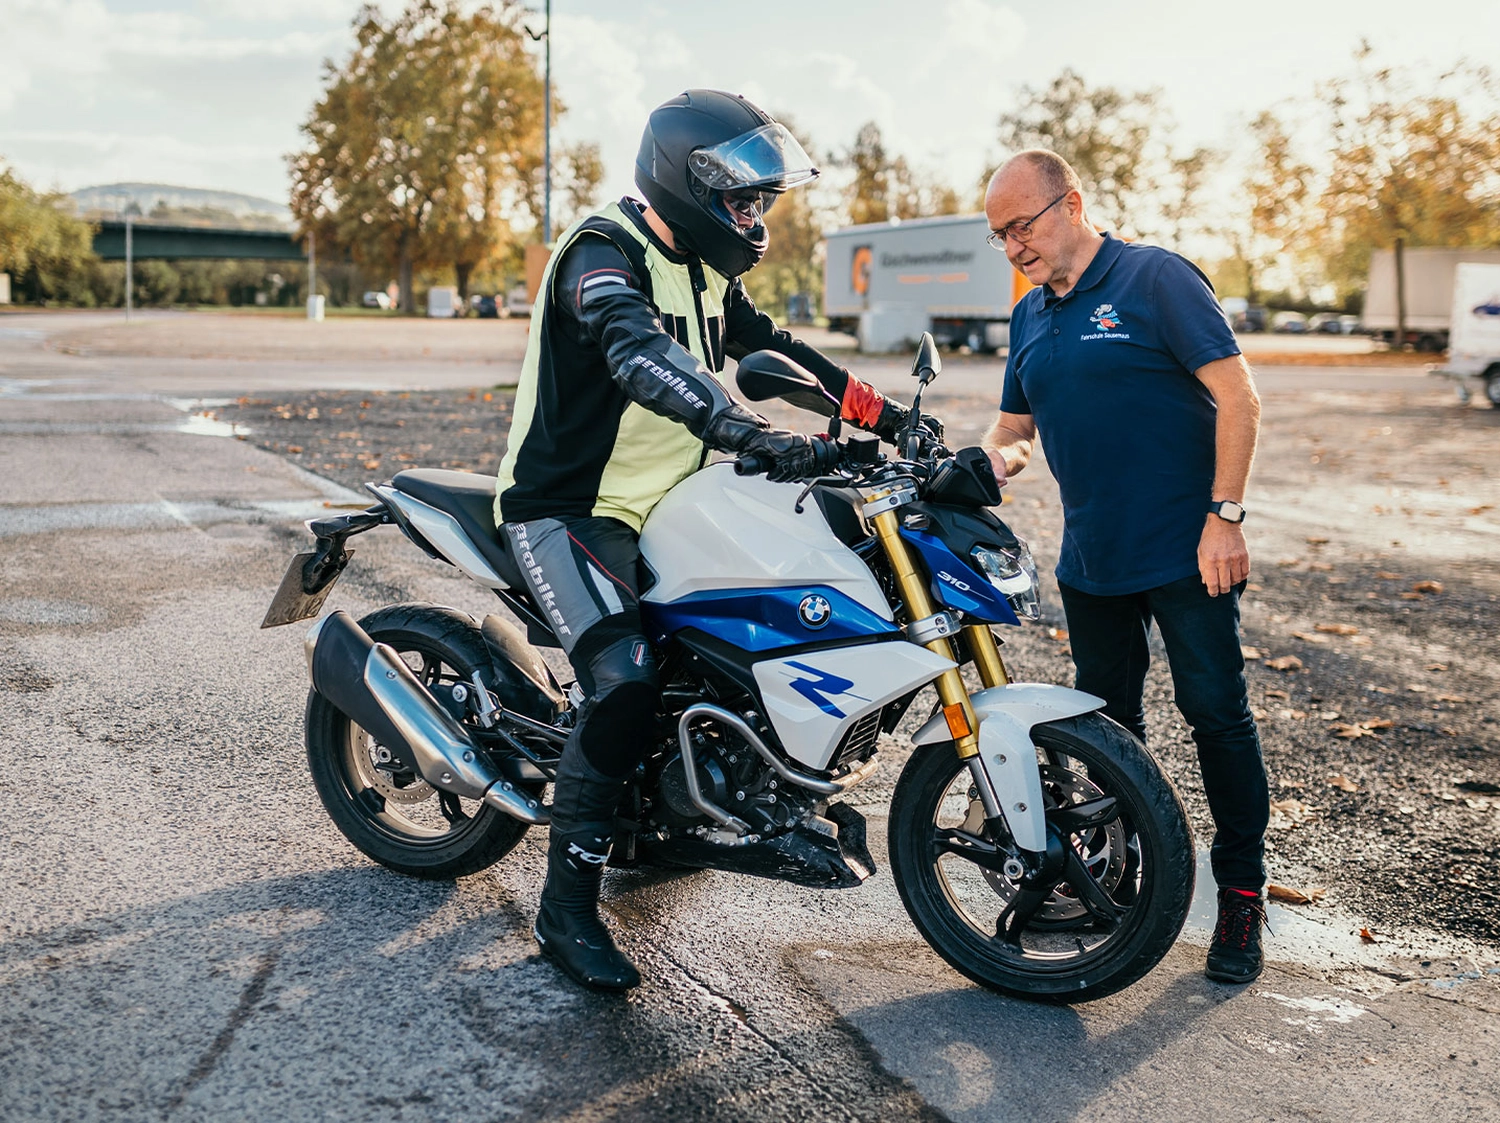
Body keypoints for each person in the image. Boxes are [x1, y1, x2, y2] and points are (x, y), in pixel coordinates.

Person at [492, 90, 930, 991]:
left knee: (782, 602)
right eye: (743, 197)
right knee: (624, 682)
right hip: (572, 507)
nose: (755, 215)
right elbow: (638, 353)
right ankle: (565, 909)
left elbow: (786, 355)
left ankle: (717, 792)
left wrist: (889, 420)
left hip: (677, 497)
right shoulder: (601, 255)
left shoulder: (702, 268)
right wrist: (740, 428)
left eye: (761, 199)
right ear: (687, 182)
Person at [980, 150, 1271, 984]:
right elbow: (1015, 429)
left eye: (1023, 226)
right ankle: (1124, 874)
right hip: (1093, 560)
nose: (1014, 248)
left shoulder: (1155, 279)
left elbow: (1239, 396)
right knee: (1108, 733)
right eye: (1001, 235)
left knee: (1215, 715)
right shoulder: (1031, 315)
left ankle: (1242, 895)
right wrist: (994, 459)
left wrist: (1225, 515)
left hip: (1189, 553)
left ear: (1070, 204)